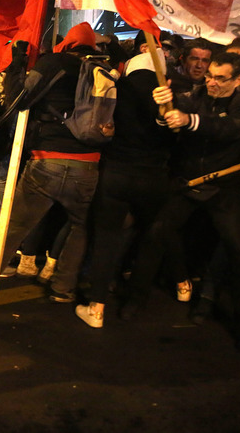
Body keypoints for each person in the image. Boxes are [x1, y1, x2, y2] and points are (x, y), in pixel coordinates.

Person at [0, 22, 106, 309]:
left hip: (47, 162)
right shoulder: (103, 71)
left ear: (66, 44)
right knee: (79, 227)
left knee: (10, 228)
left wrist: (18, 62)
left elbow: (19, 98)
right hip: (88, 166)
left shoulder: (55, 62)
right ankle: (63, 287)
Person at [124, 52, 240, 353]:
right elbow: (171, 118)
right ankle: (135, 300)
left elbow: (231, 128)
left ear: (239, 80)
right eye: (210, 75)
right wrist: (164, 106)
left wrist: (189, 121)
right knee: (155, 234)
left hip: (223, 188)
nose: (211, 82)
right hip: (186, 182)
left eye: (221, 78)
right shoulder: (192, 95)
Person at [75, 42, 176, 329]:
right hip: (154, 177)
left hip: (117, 173)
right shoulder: (167, 97)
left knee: (106, 239)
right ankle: (136, 301)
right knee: (150, 239)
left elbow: (102, 126)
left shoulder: (118, 88)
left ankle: (96, 307)